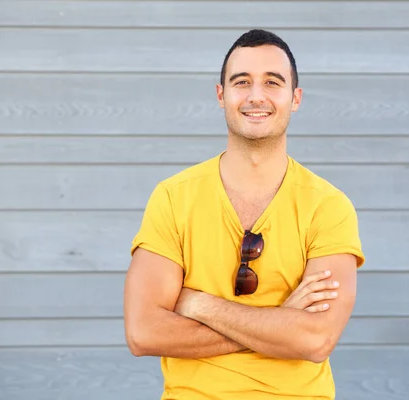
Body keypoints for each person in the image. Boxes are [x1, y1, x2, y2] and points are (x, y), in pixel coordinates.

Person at [123, 29, 365, 399]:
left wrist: (198, 304)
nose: (256, 95)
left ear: (294, 98)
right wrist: (279, 321)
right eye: (241, 82)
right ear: (221, 95)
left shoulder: (328, 206)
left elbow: (315, 340)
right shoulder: (173, 197)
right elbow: (144, 332)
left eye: (273, 82)